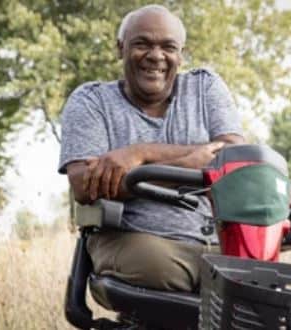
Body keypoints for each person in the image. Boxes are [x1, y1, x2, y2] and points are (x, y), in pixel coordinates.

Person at [58, 4, 244, 293]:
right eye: (142, 44)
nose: (156, 56)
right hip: (130, 237)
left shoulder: (205, 86)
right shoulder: (91, 100)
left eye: (168, 47)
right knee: (160, 268)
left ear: (180, 54)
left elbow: (232, 156)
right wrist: (189, 163)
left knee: (260, 280)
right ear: (120, 48)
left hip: (214, 239)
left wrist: (140, 154)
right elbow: (85, 183)